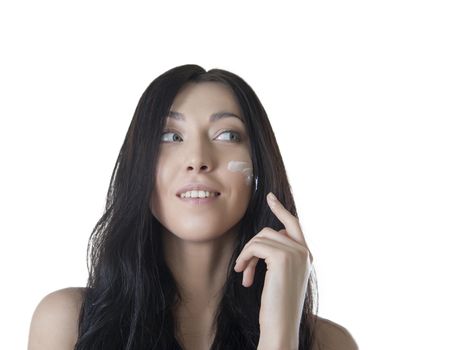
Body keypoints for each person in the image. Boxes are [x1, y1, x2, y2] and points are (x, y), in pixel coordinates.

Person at [27, 64, 358, 350]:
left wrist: (281, 332)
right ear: (138, 165)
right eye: (170, 136)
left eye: (227, 135)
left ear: (260, 166)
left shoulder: (329, 343)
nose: (198, 160)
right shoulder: (67, 322)